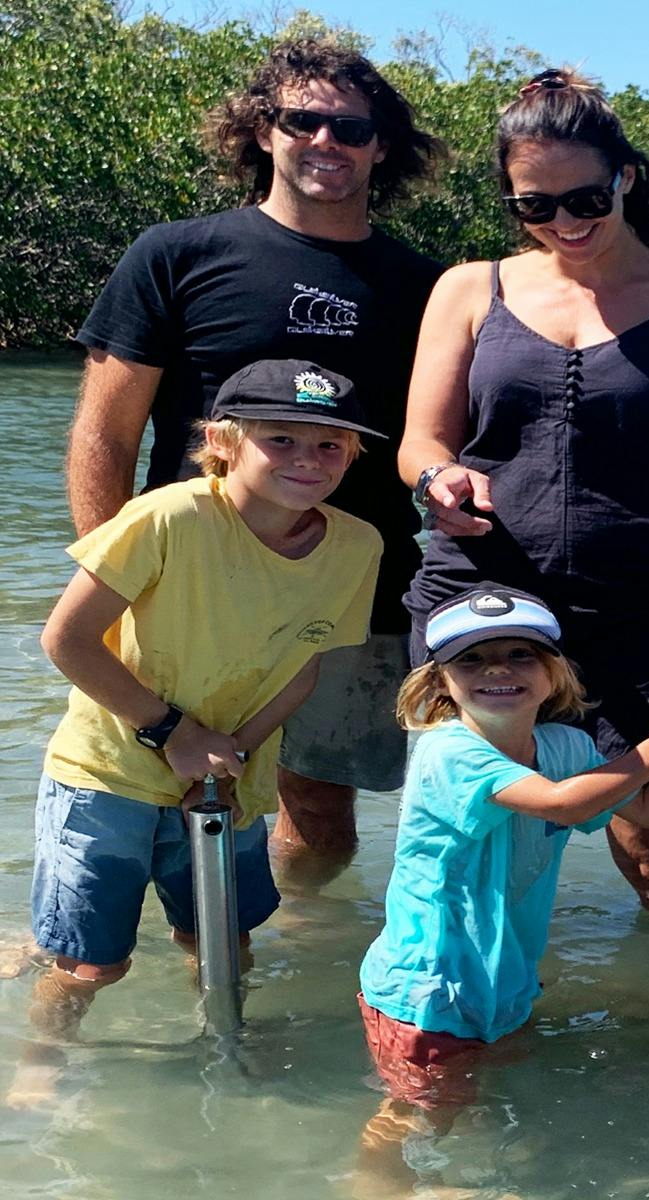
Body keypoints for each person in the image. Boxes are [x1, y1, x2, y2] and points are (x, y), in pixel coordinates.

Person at [68, 39, 443, 882]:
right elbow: (106, 431)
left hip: (353, 589)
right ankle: (114, 952)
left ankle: (288, 952)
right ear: (261, 130)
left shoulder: (427, 286)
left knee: (319, 810)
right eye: (301, 119)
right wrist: (118, 586)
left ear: (382, 145)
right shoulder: (175, 254)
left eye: (351, 126)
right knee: (143, 790)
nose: (325, 140)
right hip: (185, 588)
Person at [398, 67, 649, 924]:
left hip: (639, 609)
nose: (564, 223)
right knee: (477, 847)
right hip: (480, 605)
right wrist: (434, 478)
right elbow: (422, 439)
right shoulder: (467, 288)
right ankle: (481, 1024)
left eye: (586, 200)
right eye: (536, 207)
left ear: (626, 180)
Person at [12, 360, 382, 1105]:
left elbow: (303, 670)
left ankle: (223, 1038)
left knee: (222, 943)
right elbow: (67, 640)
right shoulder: (168, 516)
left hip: (227, 778)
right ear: (221, 440)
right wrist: (171, 732)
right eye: (282, 439)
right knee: (91, 963)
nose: (308, 461)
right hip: (107, 772)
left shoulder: (357, 545)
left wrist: (233, 753)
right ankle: (43, 1052)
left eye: (331, 447)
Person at [353, 586, 649, 1193]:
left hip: (505, 977)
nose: (498, 669)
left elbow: (647, 812)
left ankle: (479, 1178)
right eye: (472, 660)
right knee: (418, 1112)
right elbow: (561, 805)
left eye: (521, 655)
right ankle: (373, 1186)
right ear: (439, 684)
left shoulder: (567, 747)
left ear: (554, 676)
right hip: (426, 986)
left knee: (490, 1087)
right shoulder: (448, 751)